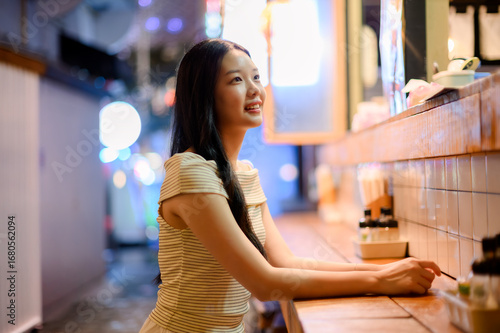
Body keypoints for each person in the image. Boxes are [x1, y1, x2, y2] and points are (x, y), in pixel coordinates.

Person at [139, 38, 441, 333]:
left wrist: (382, 271)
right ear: (204, 95)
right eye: (236, 80)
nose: (255, 89)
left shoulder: (242, 173)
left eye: (256, 77)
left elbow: (285, 262)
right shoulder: (190, 171)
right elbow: (266, 284)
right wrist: (379, 282)